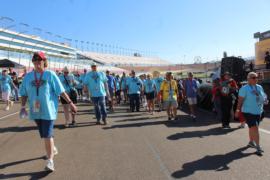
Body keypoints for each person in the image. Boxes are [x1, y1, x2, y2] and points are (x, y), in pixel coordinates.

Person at [19, 52, 77, 172]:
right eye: (34, 61)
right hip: (35, 110)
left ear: (44, 61)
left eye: (39, 60)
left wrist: (70, 103)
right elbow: (23, 93)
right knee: (44, 134)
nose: (37, 63)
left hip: (49, 110)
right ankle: (53, 148)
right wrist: (23, 107)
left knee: (47, 134)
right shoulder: (28, 77)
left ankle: (50, 161)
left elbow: (60, 91)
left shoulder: (50, 74)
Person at [235, 72, 267, 155]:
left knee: (252, 128)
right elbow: (240, 101)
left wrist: (264, 99)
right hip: (248, 112)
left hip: (258, 111)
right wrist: (237, 110)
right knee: (255, 128)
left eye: (256, 77)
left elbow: (263, 97)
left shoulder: (259, 87)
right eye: (253, 77)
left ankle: (251, 142)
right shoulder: (244, 88)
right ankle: (258, 147)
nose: (256, 79)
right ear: (248, 79)